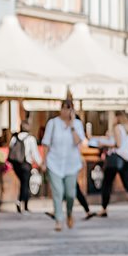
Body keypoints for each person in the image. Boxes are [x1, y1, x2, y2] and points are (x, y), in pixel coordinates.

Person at [41, 99, 86, 232]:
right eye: (64, 108)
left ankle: (70, 213)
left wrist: (72, 126)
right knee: (58, 192)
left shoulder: (77, 124)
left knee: (71, 194)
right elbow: (46, 143)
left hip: (71, 164)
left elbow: (78, 142)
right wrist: (44, 161)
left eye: (69, 109)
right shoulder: (53, 123)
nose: (65, 111)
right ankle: (59, 220)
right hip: (54, 162)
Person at [92, 111, 128, 217]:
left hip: (115, 159)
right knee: (127, 184)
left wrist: (104, 144)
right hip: (126, 159)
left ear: (117, 118)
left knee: (107, 184)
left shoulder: (117, 128)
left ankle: (104, 208)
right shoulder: (127, 130)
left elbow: (118, 144)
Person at [6, 126, 39, 212]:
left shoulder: (14, 138)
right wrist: (41, 163)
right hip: (26, 164)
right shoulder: (31, 139)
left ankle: (23, 204)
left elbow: (10, 150)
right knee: (25, 184)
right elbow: (35, 153)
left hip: (16, 164)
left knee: (24, 183)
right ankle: (22, 203)